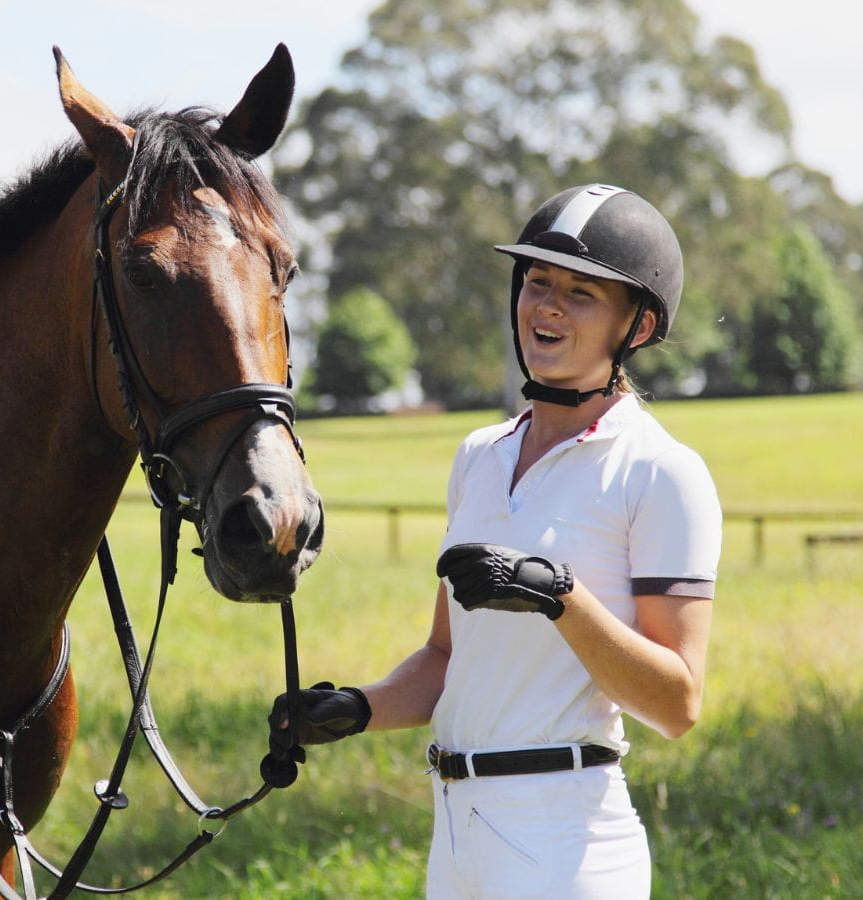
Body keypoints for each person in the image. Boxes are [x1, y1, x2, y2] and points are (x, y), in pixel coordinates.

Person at [268, 184, 721, 898]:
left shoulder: (662, 472)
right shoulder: (480, 455)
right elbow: (446, 658)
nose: (547, 307)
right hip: (456, 833)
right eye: (537, 282)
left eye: (580, 293)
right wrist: (357, 708)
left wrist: (560, 597)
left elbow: (677, 706)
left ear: (636, 325)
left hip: (566, 839)